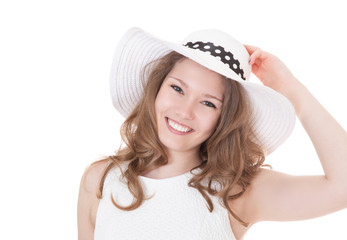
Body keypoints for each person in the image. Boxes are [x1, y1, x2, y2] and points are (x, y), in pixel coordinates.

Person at [77, 27, 347, 240]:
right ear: (156, 89)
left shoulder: (237, 191)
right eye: (177, 89)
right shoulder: (100, 179)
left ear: (225, 118)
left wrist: (291, 90)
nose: (185, 111)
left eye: (208, 103)